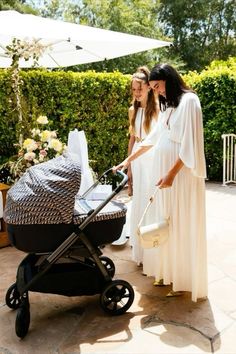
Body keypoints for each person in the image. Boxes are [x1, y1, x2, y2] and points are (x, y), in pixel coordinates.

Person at [113, 63, 208, 302]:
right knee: (167, 225)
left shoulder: (189, 102)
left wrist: (172, 174)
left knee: (182, 225)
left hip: (181, 179)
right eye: (153, 89)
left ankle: (184, 280)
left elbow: (189, 147)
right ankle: (169, 273)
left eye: (157, 86)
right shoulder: (169, 106)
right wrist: (128, 161)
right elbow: (151, 140)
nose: (158, 92)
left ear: (169, 79)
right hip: (167, 179)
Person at [126, 66, 158, 266]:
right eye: (134, 89)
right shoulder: (133, 110)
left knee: (150, 199)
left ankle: (153, 249)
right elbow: (132, 138)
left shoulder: (157, 109)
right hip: (138, 157)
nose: (137, 93)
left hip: (152, 155)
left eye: (140, 89)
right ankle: (140, 251)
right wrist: (129, 163)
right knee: (138, 200)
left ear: (148, 87)